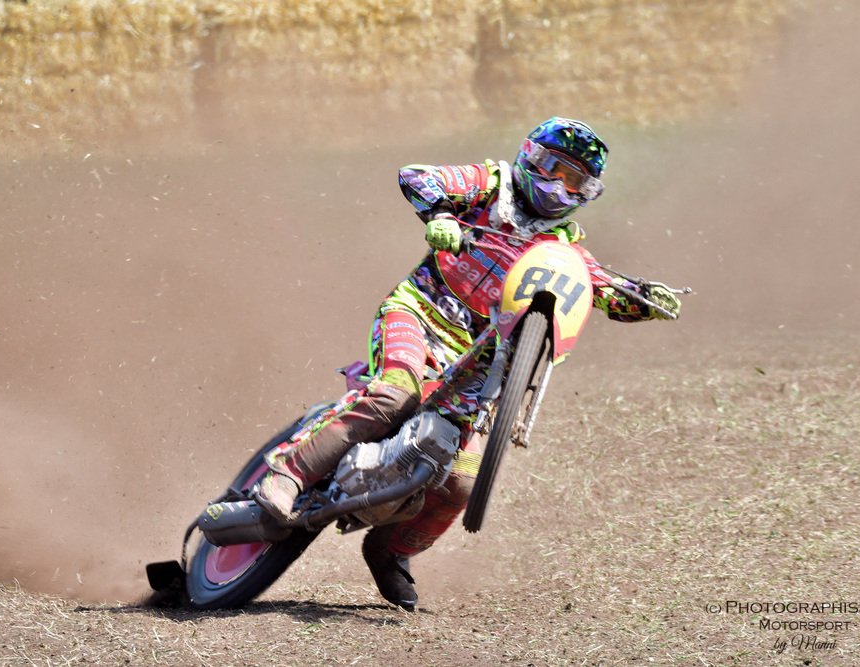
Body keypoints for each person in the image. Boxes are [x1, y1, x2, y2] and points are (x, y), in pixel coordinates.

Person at [253, 117, 682, 609]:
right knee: (395, 395)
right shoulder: (490, 185)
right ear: (531, 158)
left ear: (587, 193)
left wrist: (646, 298)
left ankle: (390, 550)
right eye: (554, 168)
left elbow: (605, 291)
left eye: (575, 181)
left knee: (462, 482)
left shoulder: (565, 251)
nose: (559, 186)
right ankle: (288, 473)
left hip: (479, 360)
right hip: (420, 312)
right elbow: (417, 175)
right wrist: (441, 215)